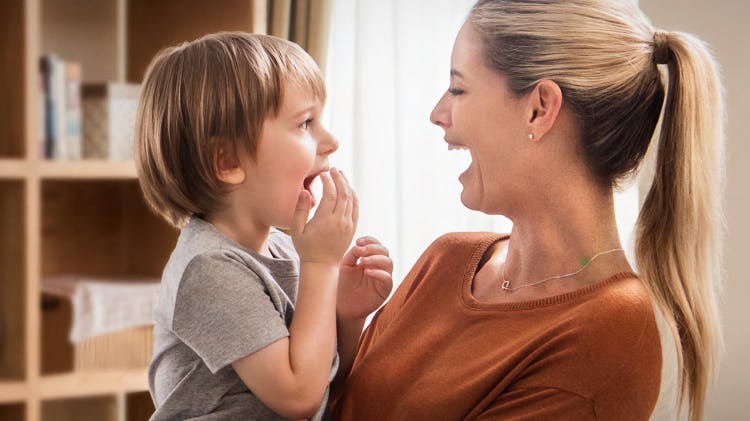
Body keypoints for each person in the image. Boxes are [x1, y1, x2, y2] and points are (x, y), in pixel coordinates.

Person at [331, 1, 724, 420]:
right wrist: (343, 321)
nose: (438, 114)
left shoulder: (610, 329)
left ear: (539, 108)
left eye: (459, 89)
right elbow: (339, 403)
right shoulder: (447, 259)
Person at [135, 32, 393, 420]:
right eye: (306, 123)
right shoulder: (207, 269)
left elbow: (324, 386)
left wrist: (346, 316)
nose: (331, 141)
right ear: (227, 162)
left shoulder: (286, 249)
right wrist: (321, 266)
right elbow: (298, 397)